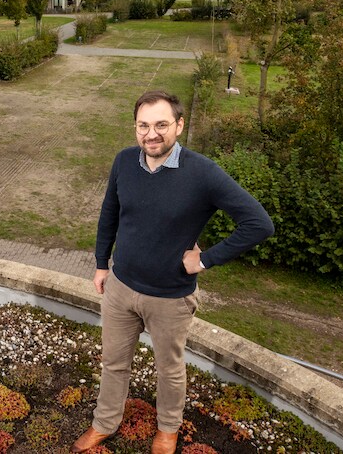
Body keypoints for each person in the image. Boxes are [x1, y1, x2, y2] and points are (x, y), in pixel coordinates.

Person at [72, 90, 274, 454]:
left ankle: (168, 429)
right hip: (120, 288)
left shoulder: (203, 173)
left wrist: (206, 259)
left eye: (161, 125)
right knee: (114, 363)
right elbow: (109, 214)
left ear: (179, 126)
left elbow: (258, 223)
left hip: (170, 297)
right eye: (143, 126)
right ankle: (105, 423)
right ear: (135, 128)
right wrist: (102, 264)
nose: (152, 134)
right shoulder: (123, 162)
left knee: (169, 370)